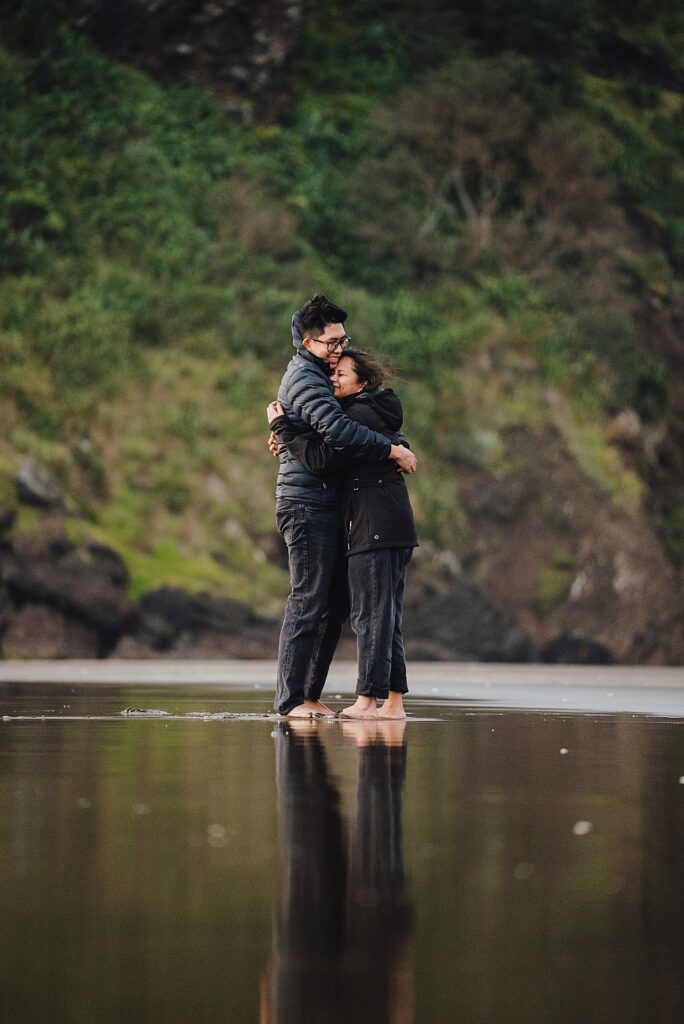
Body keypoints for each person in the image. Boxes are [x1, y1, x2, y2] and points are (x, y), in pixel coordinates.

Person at [269, 295, 417, 720]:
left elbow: (356, 425)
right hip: (305, 502)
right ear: (307, 341)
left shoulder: (323, 377)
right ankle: (291, 700)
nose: (338, 351)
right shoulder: (306, 378)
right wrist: (391, 450)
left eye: (341, 342)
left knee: (332, 603)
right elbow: (333, 438)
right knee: (309, 599)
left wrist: (395, 445)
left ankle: (309, 694)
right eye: (331, 343)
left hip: (332, 505)